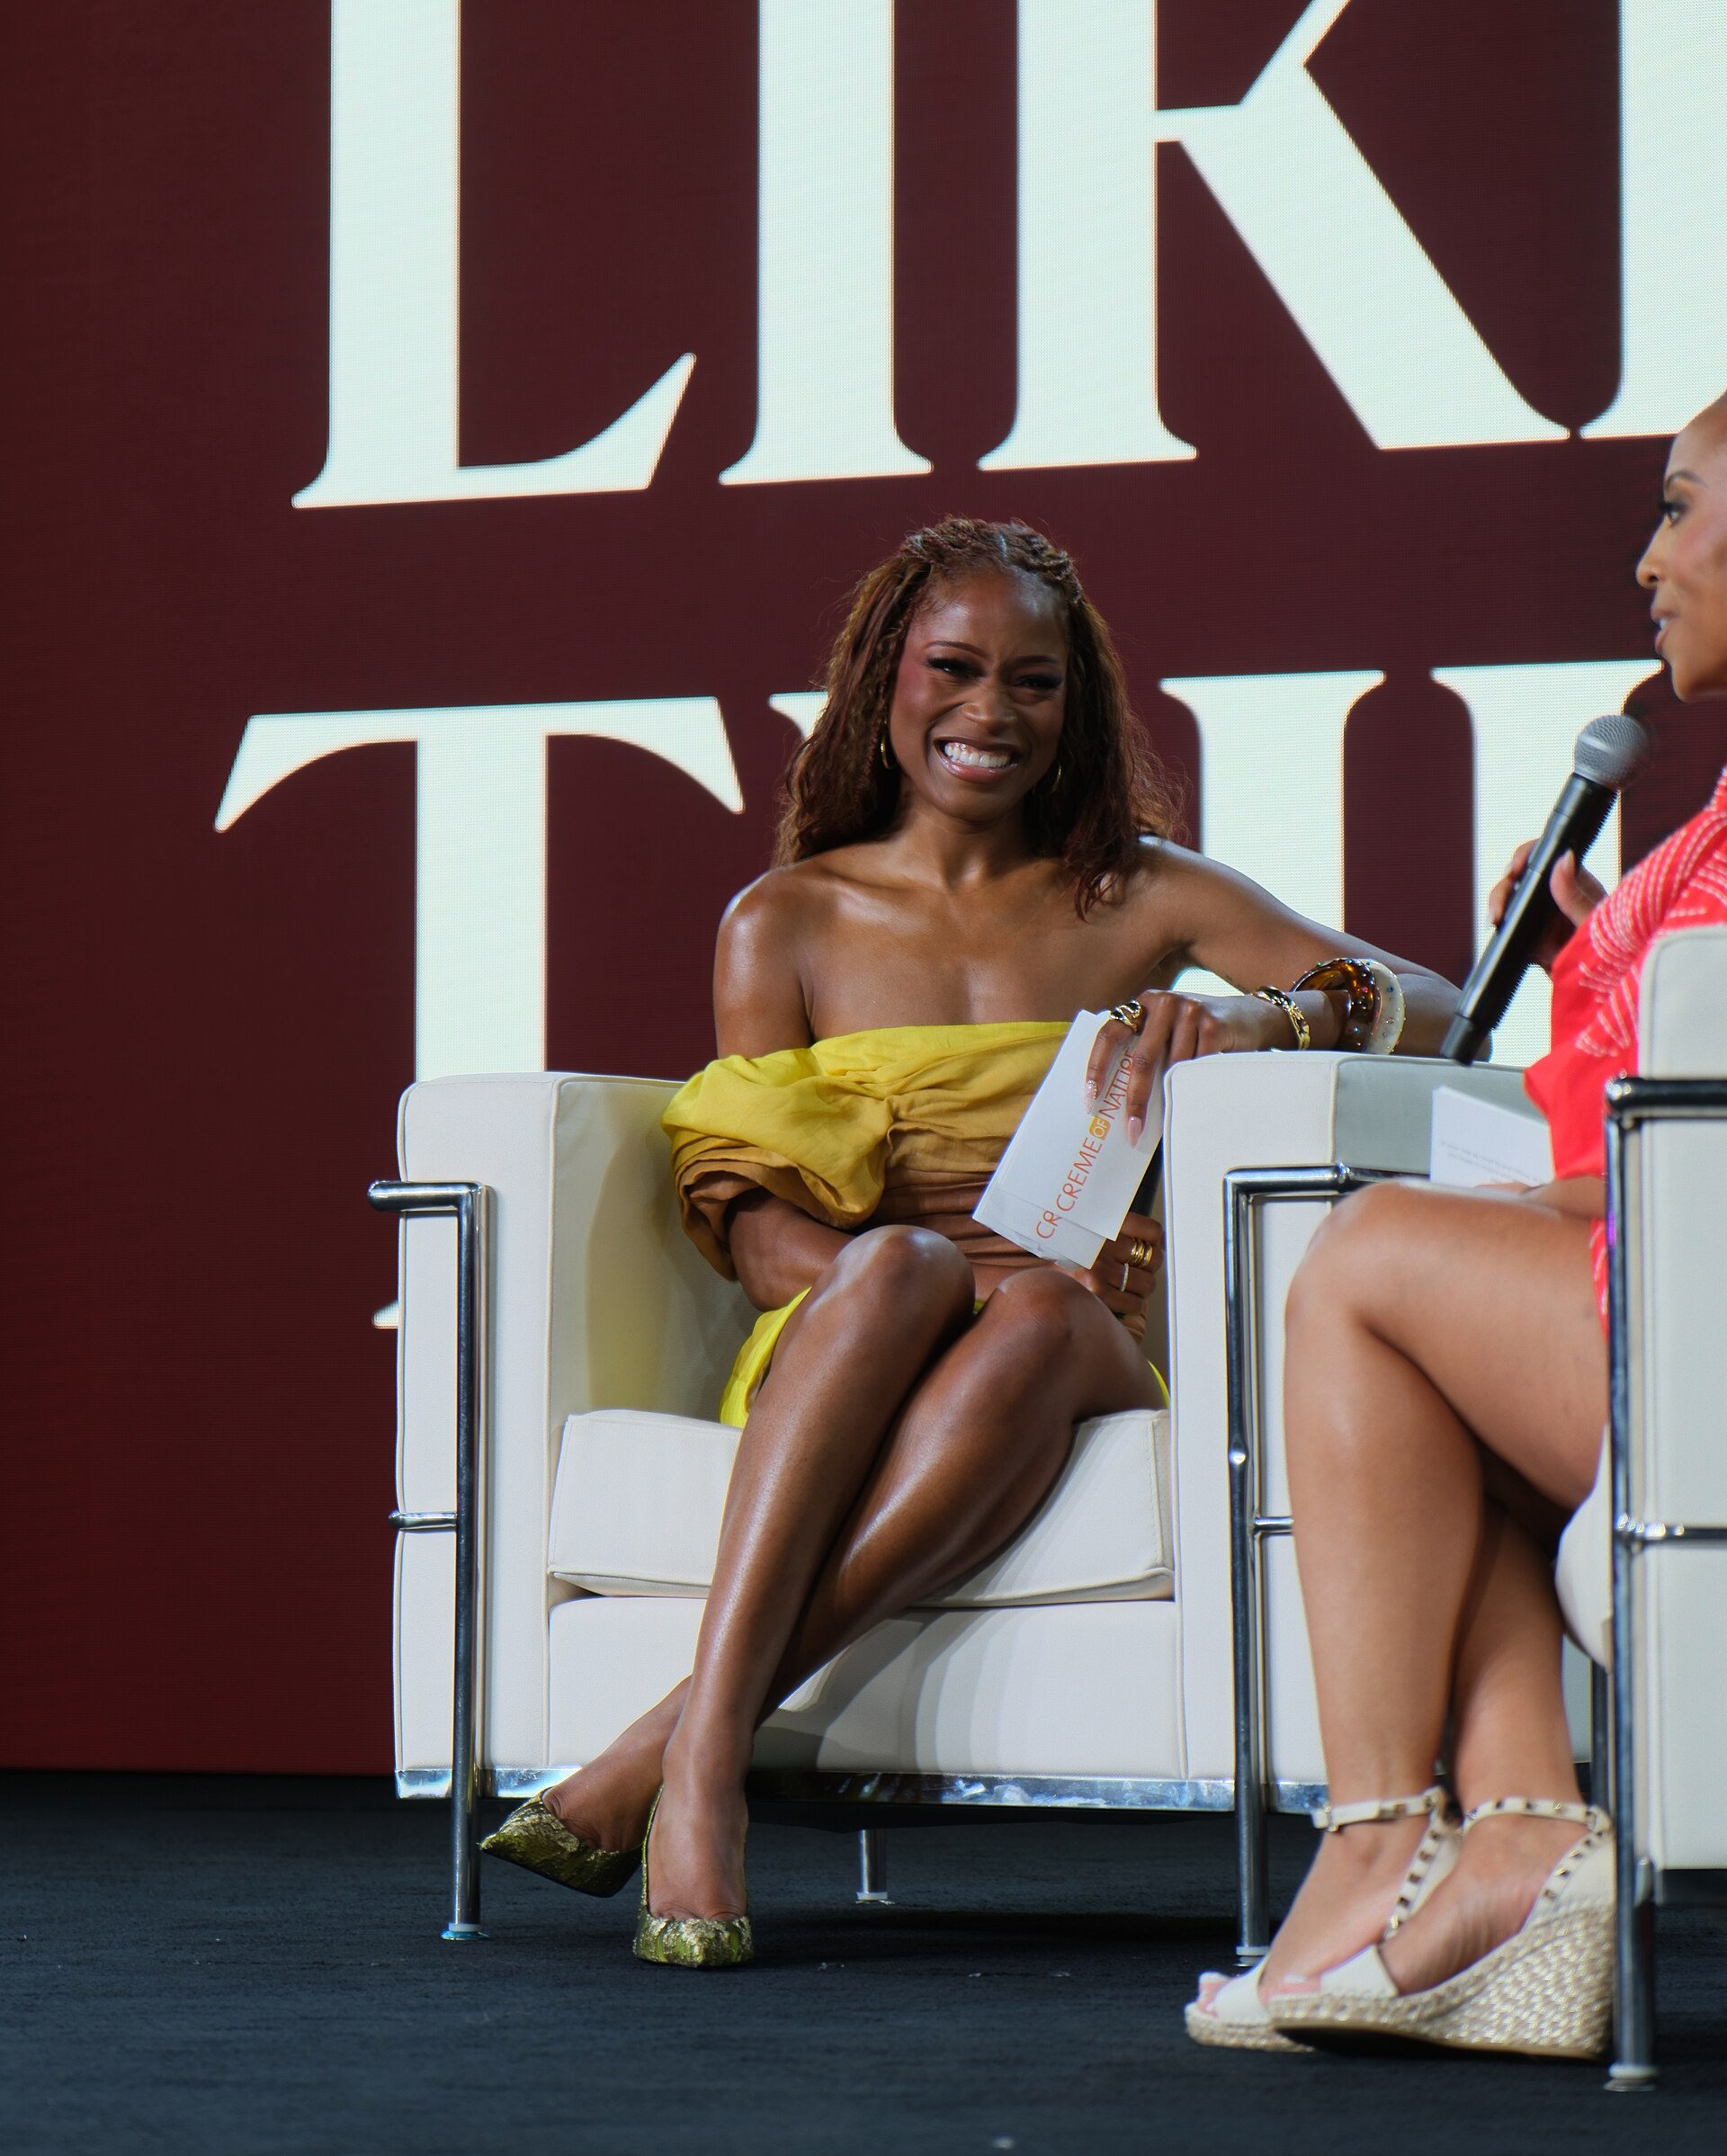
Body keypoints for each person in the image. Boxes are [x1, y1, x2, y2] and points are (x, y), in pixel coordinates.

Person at [485, 514, 1455, 1967]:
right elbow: (759, 1250)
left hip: (1078, 1340)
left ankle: (686, 1754)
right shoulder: (786, 922)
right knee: (904, 1265)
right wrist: (939, 1284)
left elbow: (1429, 999)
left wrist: (1268, 1014)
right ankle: (692, 1757)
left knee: (1052, 1317)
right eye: (955, 667)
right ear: (886, 680)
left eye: (1035, 682)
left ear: (1079, 705)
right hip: (861, 1333)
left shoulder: (1144, 891)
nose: (991, 712)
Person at [1187, 391, 1727, 2059]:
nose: (1647, 561)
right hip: (1669, 1287)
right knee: (1412, 1328)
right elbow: (1641, 1127)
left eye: (1680, 510)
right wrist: (1588, 952)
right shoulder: (1696, 834)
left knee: (1359, 1269)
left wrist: (1485, 1214)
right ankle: (1512, 1830)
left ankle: (1372, 1846)